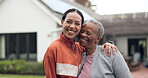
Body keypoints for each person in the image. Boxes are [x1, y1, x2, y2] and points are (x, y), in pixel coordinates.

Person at [43, 8, 117, 78]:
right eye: (69, 22)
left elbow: (94, 49)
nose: (72, 26)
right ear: (62, 22)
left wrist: (108, 44)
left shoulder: (81, 48)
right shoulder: (53, 49)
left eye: (77, 23)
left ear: (81, 26)